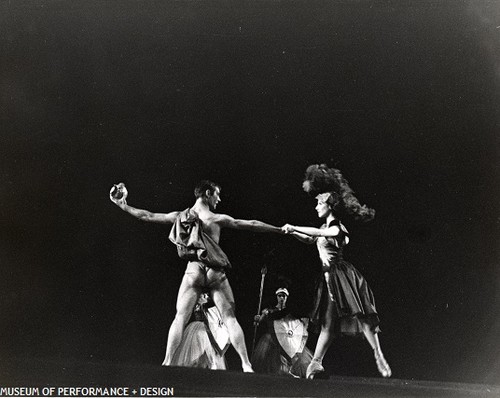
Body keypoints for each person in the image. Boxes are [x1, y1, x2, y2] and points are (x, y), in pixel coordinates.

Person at [109, 180, 284, 372]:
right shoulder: (216, 219)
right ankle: (246, 364)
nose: (219, 198)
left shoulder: (180, 216)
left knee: (180, 317)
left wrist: (122, 205)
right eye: (217, 194)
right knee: (230, 318)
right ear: (208, 193)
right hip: (215, 272)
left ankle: (167, 361)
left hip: (193, 271)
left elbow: (148, 216)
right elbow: (250, 224)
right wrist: (278, 229)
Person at [282, 164, 391, 379]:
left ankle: (378, 354)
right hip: (328, 278)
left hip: (342, 276)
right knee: (328, 326)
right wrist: (291, 232)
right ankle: (315, 365)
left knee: (362, 316)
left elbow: (319, 232)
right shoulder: (323, 229)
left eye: (319, 204)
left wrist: (294, 226)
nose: (316, 208)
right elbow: (310, 238)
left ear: (328, 206)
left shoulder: (336, 228)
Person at [251, 288, 313, 378]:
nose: (281, 298)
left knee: (291, 353)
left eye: (283, 296)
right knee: (273, 356)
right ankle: (278, 371)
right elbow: (259, 321)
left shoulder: (289, 311)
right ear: (276, 297)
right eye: (280, 296)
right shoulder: (270, 310)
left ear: (286, 297)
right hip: (272, 337)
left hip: (286, 337)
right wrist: (258, 319)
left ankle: (289, 370)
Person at [170, 293, 230, 370]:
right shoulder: (197, 301)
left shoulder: (212, 302)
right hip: (200, 329)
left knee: (209, 352)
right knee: (197, 353)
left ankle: (210, 364)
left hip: (208, 329)